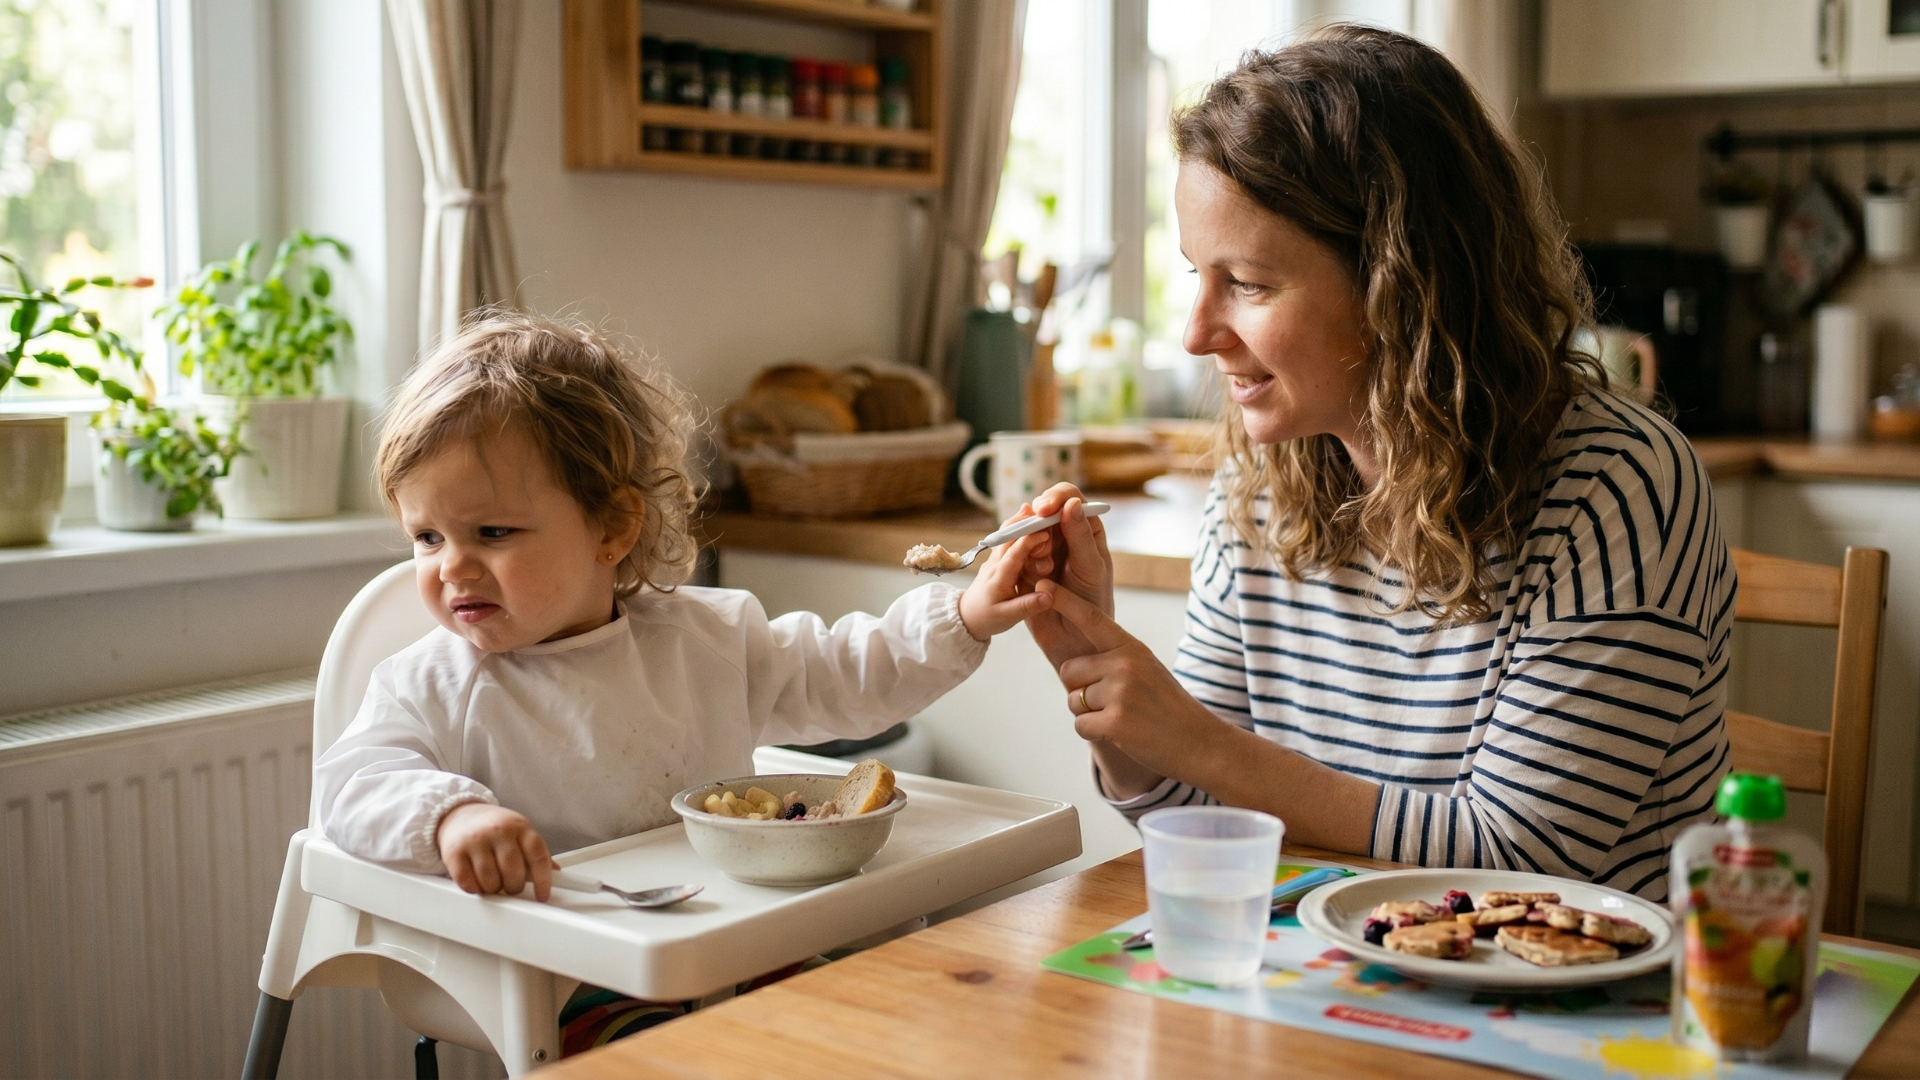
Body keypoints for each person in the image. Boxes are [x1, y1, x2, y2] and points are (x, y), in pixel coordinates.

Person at [1020, 26, 1731, 901]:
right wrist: (1107, 682)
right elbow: (1202, 811)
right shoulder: (1259, 485)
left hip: (1579, 975)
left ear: (1402, 284)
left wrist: (1195, 739)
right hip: (1331, 963)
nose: (1196, 333)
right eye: (1196, 273)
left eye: (1247, 282)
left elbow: (1529, 860)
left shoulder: (1616, 487)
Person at [315, 312, 1053, 1047]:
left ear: (612, 528)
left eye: (493, 532)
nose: (452, 566)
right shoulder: (429, 684)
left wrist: (965, 614)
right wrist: (451, 818)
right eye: (427, 537)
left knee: (883, 1022)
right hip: (565, 977)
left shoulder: (705, 641)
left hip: (733, 944)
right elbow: (355, 784)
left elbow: (843, 673)